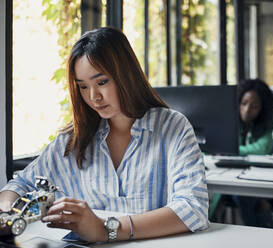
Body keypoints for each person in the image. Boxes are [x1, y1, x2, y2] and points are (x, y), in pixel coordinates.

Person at [0, 27, 208, 242]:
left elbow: (193, 209)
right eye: (82, 87)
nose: (93, 97)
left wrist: (106, 229)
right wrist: (7, 212)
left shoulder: (172, 127)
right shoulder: (75, 138)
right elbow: (20, 184)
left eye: (101, 82)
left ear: (126, 75)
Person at [210, 79, 273, 228]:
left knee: (244, 195)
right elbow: (216, 146)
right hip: (227, 174)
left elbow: (261, 149)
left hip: (257, 175)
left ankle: (258, 235)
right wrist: (228, 150)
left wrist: (230, 151)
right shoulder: (227, 119)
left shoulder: (267, 123)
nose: (247, 110)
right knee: (211, 195)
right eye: (244, 103)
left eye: (254, 106)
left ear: (263, 108)